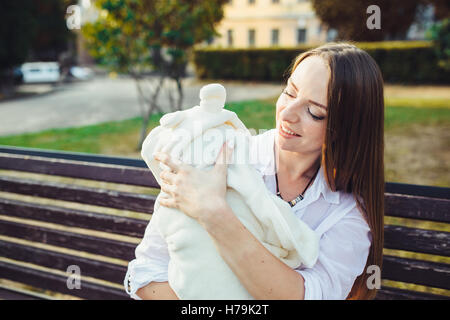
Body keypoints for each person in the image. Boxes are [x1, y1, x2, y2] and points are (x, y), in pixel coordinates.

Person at [124, 42, 385, 300]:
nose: (288, 114)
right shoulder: (217, 155)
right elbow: (147, 272)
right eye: (289, 93)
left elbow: (313, 296)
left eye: (314, 112)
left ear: (349, 128)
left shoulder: (345, 212)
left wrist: (213, 213)